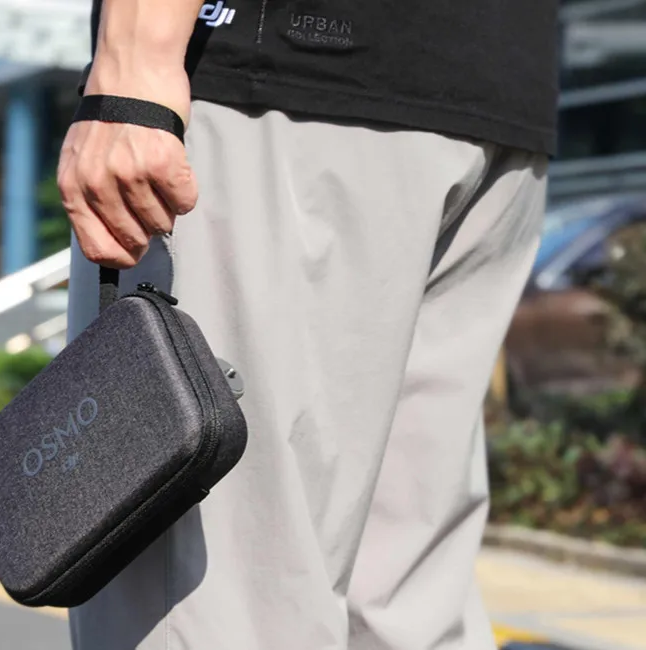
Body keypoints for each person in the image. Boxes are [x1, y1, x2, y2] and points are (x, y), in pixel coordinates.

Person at [58, 0, 559, 648]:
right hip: (493, 101)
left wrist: (135, 64)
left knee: (219, 605)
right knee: (404, 607)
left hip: (280, 71)